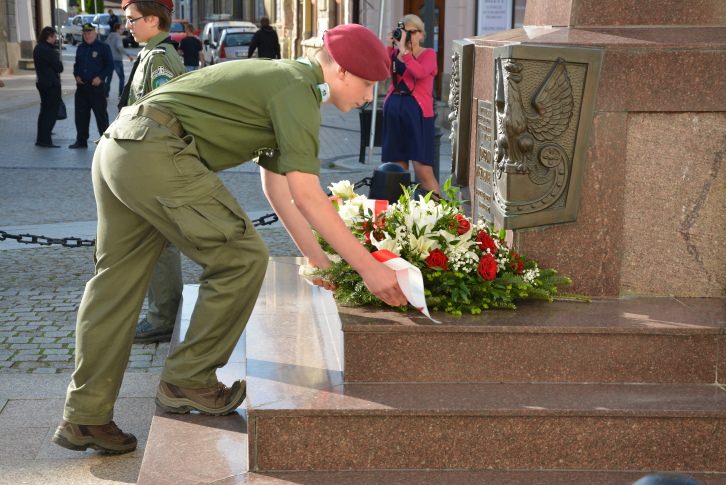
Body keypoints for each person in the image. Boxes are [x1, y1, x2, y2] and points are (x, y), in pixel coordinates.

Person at [51, 22, 405, 455]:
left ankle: (84, 415)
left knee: (115, 284)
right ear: (344, 72)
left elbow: (278, 191)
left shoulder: (282, 79)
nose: (370, 97)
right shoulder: (298, 89)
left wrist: (321, 263)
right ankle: (189, 379)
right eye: (369, 85)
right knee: (242, 257)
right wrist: (369, 268)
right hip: (158, 152)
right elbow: (309, 196)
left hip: (122, 146)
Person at [115, 0, 187, 345]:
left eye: (132, 19)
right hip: (146, 160)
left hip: (152, 161)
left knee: (159, 242)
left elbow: (164, 112)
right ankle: (161, 312)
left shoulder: (159, 59)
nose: (127, 25)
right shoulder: (152, 53)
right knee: (156, 239)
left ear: (154, 19)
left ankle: (163, 316)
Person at [381, 14, 439, 195]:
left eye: (412, 32)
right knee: (397, 169)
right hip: (394, 110)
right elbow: (381, 67)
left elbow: (420, 73)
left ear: (421, 34)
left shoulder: (429, 54)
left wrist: (405, 53)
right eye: (404, 32)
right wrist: (392, 45)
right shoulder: (394, 53)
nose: (408, 36)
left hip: (418, 113)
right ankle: (400, 219)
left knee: (423, 170)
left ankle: (443, 217)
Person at [69, 23, 113, 149]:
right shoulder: (80, 47)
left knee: (101, 116)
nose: (87, 35)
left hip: (96, 88)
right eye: (85, 33)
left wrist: (100, 78)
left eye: (89, 32)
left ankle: (106, 142)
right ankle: (81, 141)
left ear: (95, 33)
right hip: (82, 87)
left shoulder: (103, 47)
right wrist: (76, 75)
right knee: (81, 116)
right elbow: (77, 65)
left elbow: (109, 66)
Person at [33, 26, 64, 148]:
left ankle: (41, 138)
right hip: (51, 85)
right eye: (54, 36)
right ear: (49, 37)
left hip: (41, 83)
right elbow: (59, 68)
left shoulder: (38, 48)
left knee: (44, 112)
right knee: (50, 113)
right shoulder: (49, 50)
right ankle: (45, 140)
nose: (55, 39)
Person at [104, 23, 134, 98]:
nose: (123, 30)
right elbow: (119, 47)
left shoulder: (110, 36)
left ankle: (106, 94)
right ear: (117, 29)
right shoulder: (118, 37)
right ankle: (121, 94)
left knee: (109, 77)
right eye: (121, 29)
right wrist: (128, 55)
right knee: (122, 77)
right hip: (117, 60)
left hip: (109, 59)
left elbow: (105, 45)